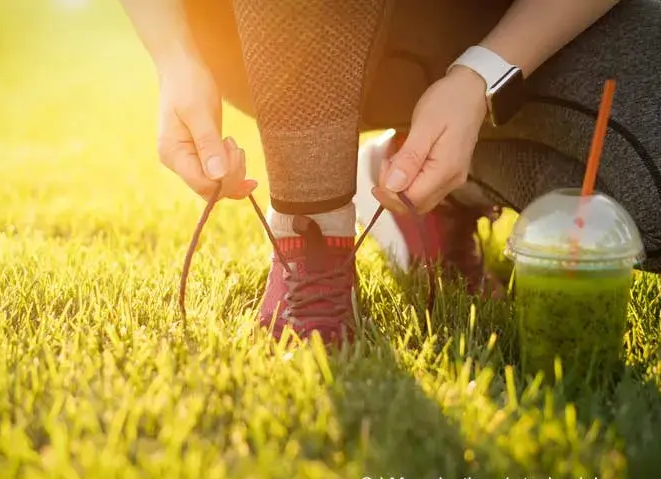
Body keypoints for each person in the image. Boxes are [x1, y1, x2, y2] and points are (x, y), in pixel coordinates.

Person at [121, 0, 661, 344]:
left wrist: (482, 76)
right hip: (277, 30)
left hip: (517, 23)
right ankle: (312, 230)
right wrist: (174, 57)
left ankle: (425, 168)